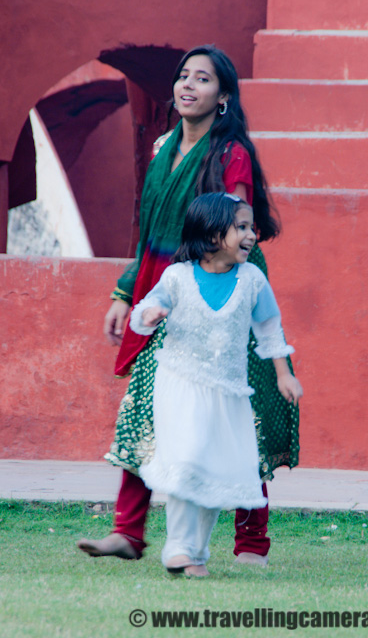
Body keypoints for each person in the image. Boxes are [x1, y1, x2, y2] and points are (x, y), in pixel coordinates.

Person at [77, 44, 300, 564]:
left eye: (202, 79)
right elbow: (151, 232)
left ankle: (251, 543)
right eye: (183, 76)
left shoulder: (231, 153)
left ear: (222, 96)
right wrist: (124, 291)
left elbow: (237, 227)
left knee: (242, 419)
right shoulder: (162, 147)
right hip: (168, 291)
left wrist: (220, 290)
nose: (187, 85)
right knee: (149, 407)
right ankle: (129, 533)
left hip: (225, 291)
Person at [129, 192, 303, 577]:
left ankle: (196, 554)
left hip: (229, 392)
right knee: (187, 459)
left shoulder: (252, 280)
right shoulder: (176, 277)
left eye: (250, 227)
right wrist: (151, 313)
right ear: (210, 236)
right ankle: (177, 547)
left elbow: (269, 329)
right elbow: (140, 315)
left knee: (215, 470)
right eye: (241, 227)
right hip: (179, 384)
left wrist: (283, 373)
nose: (251, 235)